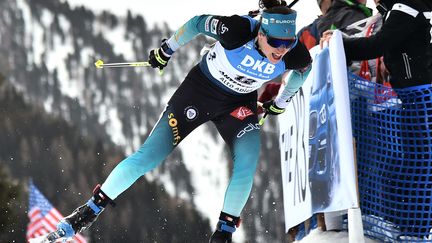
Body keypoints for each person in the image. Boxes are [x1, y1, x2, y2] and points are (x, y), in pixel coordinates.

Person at [53, 2, 312, 243]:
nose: (281, 50)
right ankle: (87, 212)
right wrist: (167, 50)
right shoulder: (237, 30)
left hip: (238, 105)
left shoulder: (292, 53)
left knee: (247, 162)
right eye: (276, 42)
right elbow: (198, 23)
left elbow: (304, 69)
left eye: (288, 44)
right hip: (198, 93)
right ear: (261, 33)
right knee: (149, 156)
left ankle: (223, 234)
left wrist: (282, 101)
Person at [322, 0, 432, 239]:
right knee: (411, 162)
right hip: (412, 94)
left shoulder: (407, 6)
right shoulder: (399, 8)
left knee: (419, 162)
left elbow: (378, 45)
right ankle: (410, 226)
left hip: (420, 94)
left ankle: (417, 229)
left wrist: (340, 44)